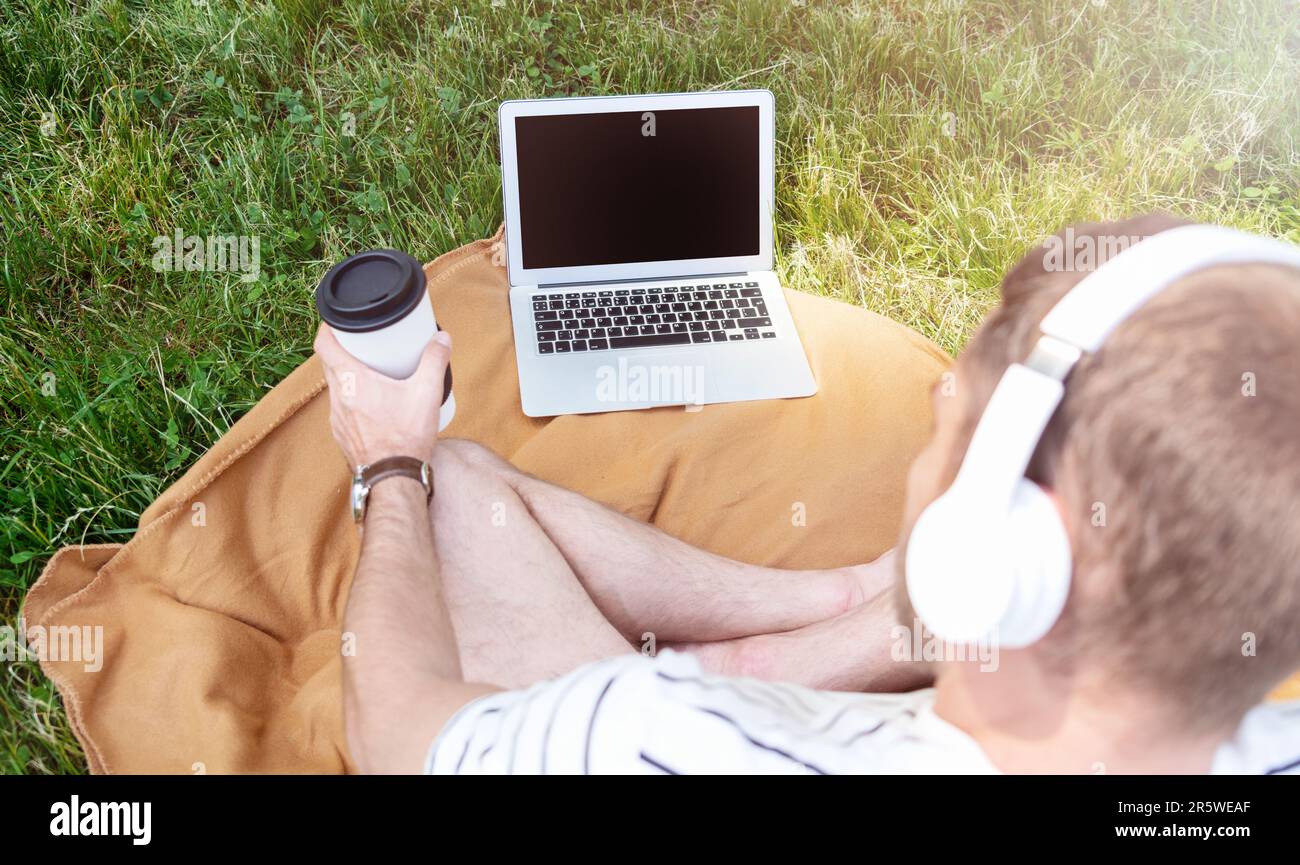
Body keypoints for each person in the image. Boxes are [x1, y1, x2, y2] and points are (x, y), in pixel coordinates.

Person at [315, 215, 1300, 774]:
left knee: (451, 483)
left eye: (953, 413)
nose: (936, 395)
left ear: (991, 561)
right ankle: (828, 607)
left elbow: (394, 727)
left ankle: (825, 614)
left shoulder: (662, 744)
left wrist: (388, 466)